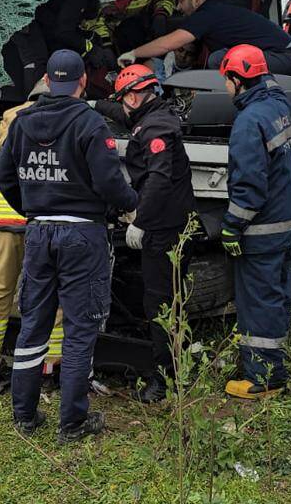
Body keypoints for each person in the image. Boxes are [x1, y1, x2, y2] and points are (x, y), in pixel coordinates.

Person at [0, 50, 139, 444]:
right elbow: (110, 182)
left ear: (46, 78)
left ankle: (24, 414)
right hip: (82, 235)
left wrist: (34, 207)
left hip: (40, 233)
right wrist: (130, 204)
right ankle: (72, 423)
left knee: (33, 326)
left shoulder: (22, 122)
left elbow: (5, 178)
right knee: (79, 329)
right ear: (82, 82)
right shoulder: (90, 123)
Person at [95, 65, 195, 403]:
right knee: (168, 298)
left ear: (135, 96)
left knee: (160, 302)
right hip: (169, 221)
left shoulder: (156, 132)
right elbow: (120, 114)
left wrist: (141, 220)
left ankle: (165, 380)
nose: (122, 107)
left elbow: (159, 180)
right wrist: (91, 104)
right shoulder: (151, 115)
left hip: (164, 227)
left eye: (124, 100)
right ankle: (175, 367)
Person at [0, 82, 64, 387]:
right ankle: (48, 368)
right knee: (53, 292)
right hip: (45, 219)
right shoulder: (68, 117)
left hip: (7, 217)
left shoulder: (9, 117)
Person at [215, 45, 291, 399]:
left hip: (260, 232)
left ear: (238, 79)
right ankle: (273, 367)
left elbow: (249, 184)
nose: (226, 88)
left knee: (258, 302)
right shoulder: (278, 107)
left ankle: (262, 379)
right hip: (283, 225)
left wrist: (232, 225)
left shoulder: (249, 121)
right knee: (275, 298)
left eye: (227, 81)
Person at [118, 0, 291, 76]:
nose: (178, 7)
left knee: (218, 59)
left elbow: (167, 44)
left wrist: (133, 53)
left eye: (181, 1)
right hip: (284, 57)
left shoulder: (206, 14)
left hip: (284, 59)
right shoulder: (216, 11)